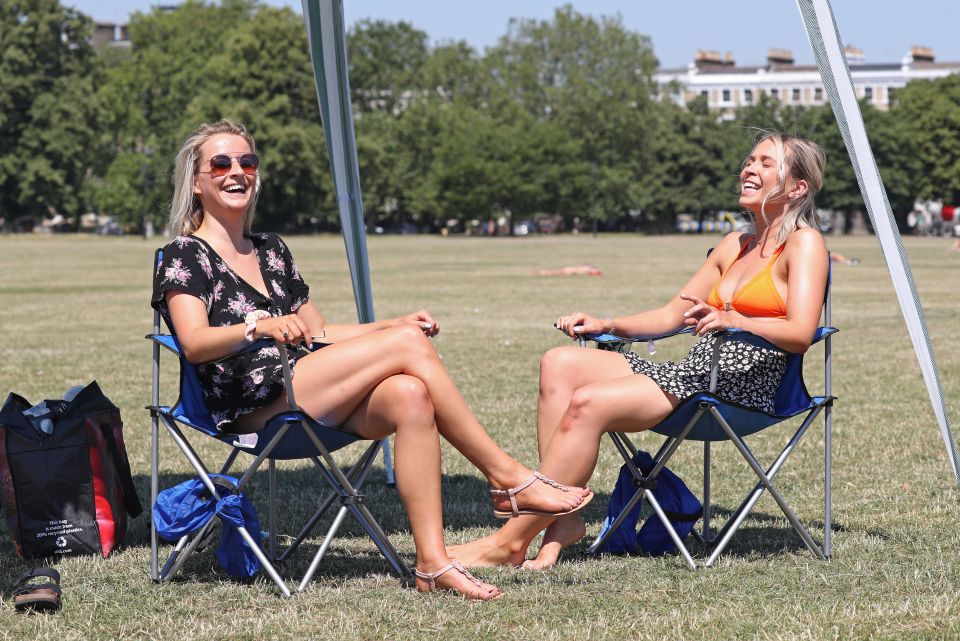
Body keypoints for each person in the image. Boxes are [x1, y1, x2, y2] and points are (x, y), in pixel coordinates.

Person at [150, 120, 591, 600]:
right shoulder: (182, 255)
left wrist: (391, 324)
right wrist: (260, 326)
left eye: (247, 162)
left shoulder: (272, 251)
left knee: (409, 393)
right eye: (221, 163)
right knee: (407, 347)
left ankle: (432, 563)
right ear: (196, 181)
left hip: (308, 385)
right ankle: (509, 478)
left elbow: (318, 334)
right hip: (254, 406)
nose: (237, 172)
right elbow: (193, 343)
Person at [450, 131, 829, 570]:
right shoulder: (734, 244)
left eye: (766, 163)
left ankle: (510, 542)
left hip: (745, 387)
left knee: (588, 402)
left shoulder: (803, 243)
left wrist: (733, 319)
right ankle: (563, 522)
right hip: (695, 374)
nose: (749, 169)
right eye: (749, 160)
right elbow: (672, 314)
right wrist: (606, 323)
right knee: (560, 363)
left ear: (797, 187)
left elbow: (801, 331)